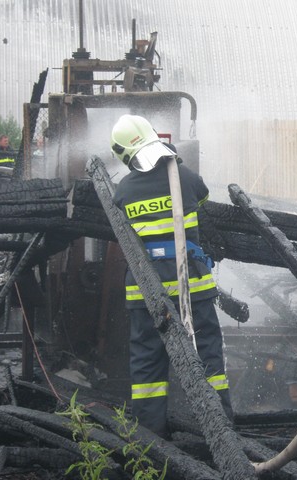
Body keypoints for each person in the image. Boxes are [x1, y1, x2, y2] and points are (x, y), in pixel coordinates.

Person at [110, 114, 232, 437]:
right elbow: (202, 197)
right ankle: (220, 435)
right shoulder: (187, 179)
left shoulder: (122, 192)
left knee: (148, 369)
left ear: (123, 154)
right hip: (192, 289)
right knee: (208, 360)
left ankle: (151, 441)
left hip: (146, 297)